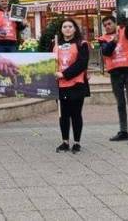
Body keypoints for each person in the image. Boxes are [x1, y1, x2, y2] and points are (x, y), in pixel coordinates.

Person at [98, 16, 128, 145]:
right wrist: (113, 42)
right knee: (120, 104)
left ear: (115, 23)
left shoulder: (124, 32)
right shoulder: (103, 39)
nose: (107, 26)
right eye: (105, 25)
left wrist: (126, 17)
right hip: (115, 74)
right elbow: (106, 52)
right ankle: (123, 131)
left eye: (109, 23)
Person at [53, 19, 90, 154]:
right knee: (63, 115)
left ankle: (77, 142)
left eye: (70, 26)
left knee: (75, 114)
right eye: (64, 26)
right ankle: (65, 141)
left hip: (76, 84)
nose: (67, 29)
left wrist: (63, 74)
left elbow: (81, 64)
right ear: (61, 29)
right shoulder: (56, 45)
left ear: (75, 29)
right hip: (60, 86)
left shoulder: (82, 44)